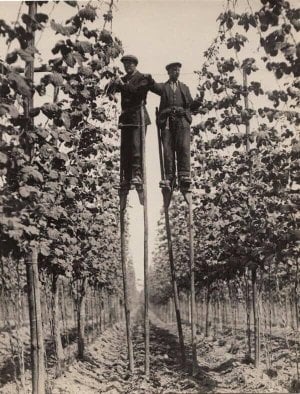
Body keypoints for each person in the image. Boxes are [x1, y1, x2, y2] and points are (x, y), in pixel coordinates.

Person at [150, 62, 203, 190]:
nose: (176, 72)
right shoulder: (163, 87)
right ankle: (169, 177)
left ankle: (184, 176)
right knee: (168, 149)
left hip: (181, 121)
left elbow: (190, 105)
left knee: (183, 147)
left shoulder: (184, 88)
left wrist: (199, 100)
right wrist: (147, 78)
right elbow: (152, 86)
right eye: (174, 70)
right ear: (168, 72)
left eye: (178, 70)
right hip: (167, 121)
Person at [107, 55, 154, 189]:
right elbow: (109, 92)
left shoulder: (143, 78)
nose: (127, 67)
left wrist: (122, 85)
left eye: (129, 64)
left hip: (139, 116)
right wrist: (113, 81)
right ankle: (126, 178)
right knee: (126, 148)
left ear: (135, 65)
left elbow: (137, 93)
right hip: (126, 118)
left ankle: (137, 175)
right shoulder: (123, 79)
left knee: (136, 147)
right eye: (125, 65)